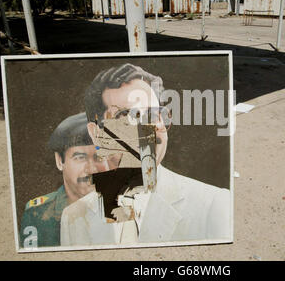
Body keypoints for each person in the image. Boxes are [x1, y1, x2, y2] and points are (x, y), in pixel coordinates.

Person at [60, 64, 231, 246]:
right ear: (96, 133)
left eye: (153, 115)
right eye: (128, 116)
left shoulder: (214, 205)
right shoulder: (74, 218)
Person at [19, 113, 109, 248]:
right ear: (60, 161)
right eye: (80, 157)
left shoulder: (122, 204)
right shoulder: (38, 215)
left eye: (99, 157)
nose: (92, 169)